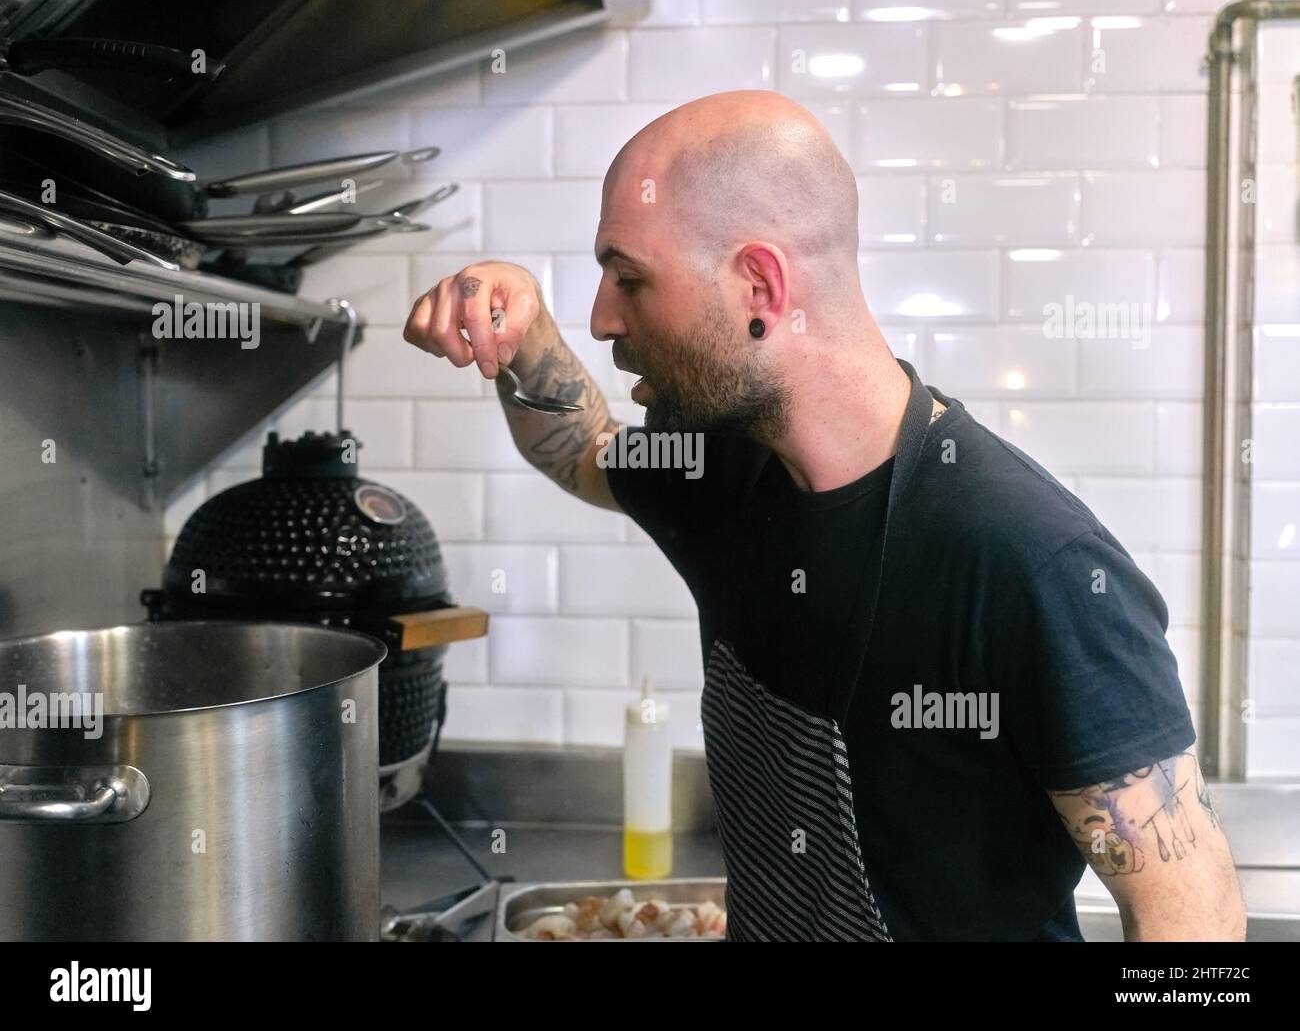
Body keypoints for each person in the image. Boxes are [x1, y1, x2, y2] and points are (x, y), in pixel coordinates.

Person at [403, 90, 1245, 942]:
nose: (603, 316)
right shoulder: (724, 469)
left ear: (761, 285)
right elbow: (580, 448)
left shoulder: (1028, 558)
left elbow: (1194, 920)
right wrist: (522, 331)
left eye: (630, 279)